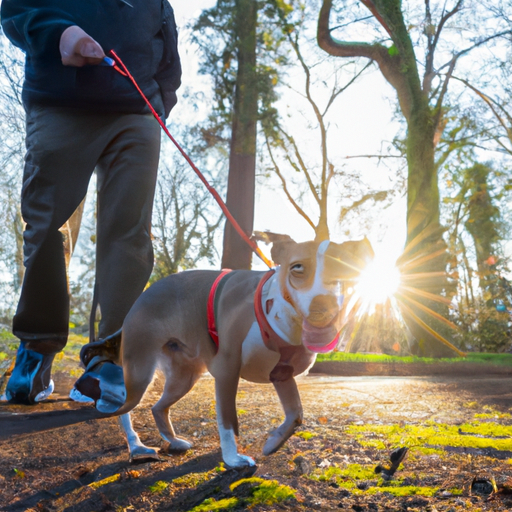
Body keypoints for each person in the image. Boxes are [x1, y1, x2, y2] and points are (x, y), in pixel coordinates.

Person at [1, 0, 181, 412]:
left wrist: (159, 102)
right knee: (47, 226)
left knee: (129, 234)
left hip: (137, 112)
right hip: (60, 104)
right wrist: (60, 33)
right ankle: (37, 348)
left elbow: (166, 44)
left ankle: (112, 357)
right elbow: (15, 10)